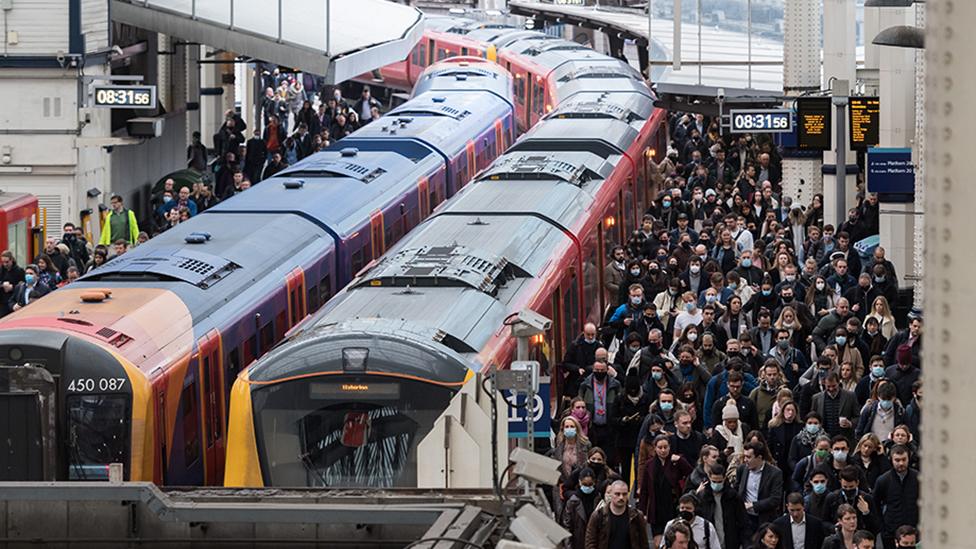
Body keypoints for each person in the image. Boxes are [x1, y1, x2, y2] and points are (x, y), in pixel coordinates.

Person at [640, 435, 693, 545]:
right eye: (660, 447)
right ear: (655, 448)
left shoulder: (676, 461)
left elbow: (690, 473)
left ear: (670, 447)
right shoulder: (649, 465)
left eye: (665, 447)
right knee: (658, 543)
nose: (663, 450)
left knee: (674, 541)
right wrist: (643, 511)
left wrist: (681, 460)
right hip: (657, 509)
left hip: (672, 506)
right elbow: (644, 490)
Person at [872, 445, 919, 549]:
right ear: (891, 460)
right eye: (897, 460)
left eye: (904, 459)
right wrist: (883, 528)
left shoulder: (918, 478)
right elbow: (875, 504)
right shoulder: (883, 480)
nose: (901, 463)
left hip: (914, 531)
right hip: (891, 532)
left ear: (908, 458)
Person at [585, 479, 650, 549]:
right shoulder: (598, 516)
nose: (621, 497)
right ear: (611, 494)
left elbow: (644, 544)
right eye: (617, 494)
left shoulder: (637, 516)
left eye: (624, 494)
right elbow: (590, 543)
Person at [736, 441, 784, 534]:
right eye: (744, 456)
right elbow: (737, 489)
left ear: (759, 457)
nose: (745, 460)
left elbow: (775, 499)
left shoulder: (775, 473)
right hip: (746, 519)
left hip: (764, 519)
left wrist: (753, 505)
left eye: (748, 457)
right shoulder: (742, 469)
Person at [823, 466, 881, 534]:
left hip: (861, 538)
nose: (848, 489)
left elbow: (876, 527)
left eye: (851, 487)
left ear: (857, 483)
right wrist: (834, 528)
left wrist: (866, 512)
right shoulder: (832, 498)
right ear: (840, 482)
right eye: (845, 487)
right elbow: (824, 522)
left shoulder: (867, 499)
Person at [563, 323, 604, 404]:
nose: (591, 337)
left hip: (595, 381)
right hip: (577, 381)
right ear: (584, 333)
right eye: (588, 335)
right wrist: (577, 369)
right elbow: (566, 363)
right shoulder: (575, 346)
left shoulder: (599, 346)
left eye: (593, 334)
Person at [562, 467, 599, 549]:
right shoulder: (573, 502)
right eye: (585, 484)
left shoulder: (598, 499)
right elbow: (567, 526)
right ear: (579, 482)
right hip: (578, 543)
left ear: (594, 483)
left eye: (590, 484)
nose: (588, 487)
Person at [0, 250, 25, 317]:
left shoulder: (19, 271)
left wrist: (12, 287)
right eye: (3, 262)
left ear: (11, 260)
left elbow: (23, 286)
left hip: (14, 300)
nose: (5, 264)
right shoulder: (1, 270)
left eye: (7, 262)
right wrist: (2, 285)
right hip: (3, 301)